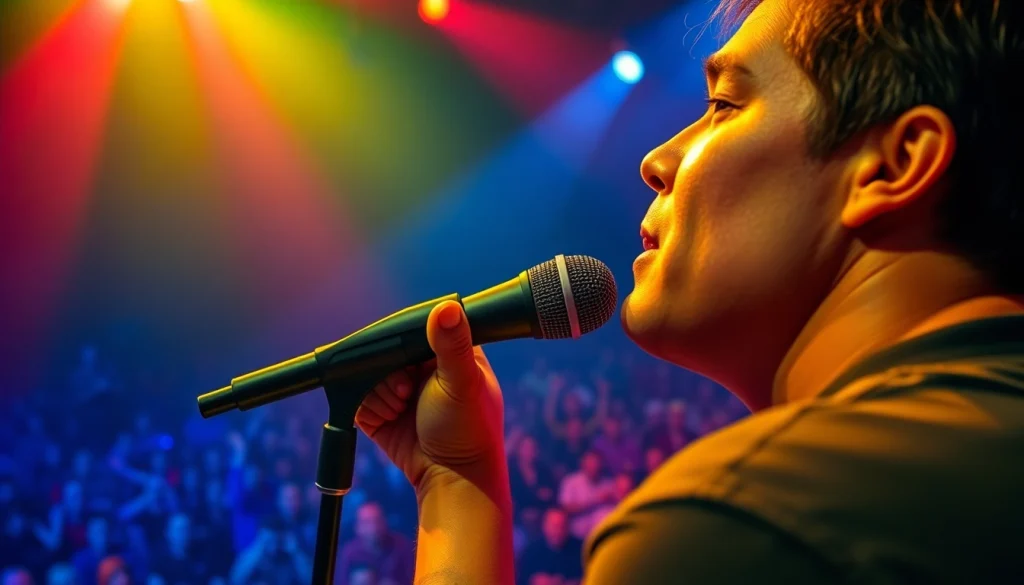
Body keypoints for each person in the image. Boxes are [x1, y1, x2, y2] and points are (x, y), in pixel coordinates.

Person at [351, 0, 1024, 582]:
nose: (656, 160)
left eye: (723, 106)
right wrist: (458, 477)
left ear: (894, 164)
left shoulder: (753, 523)